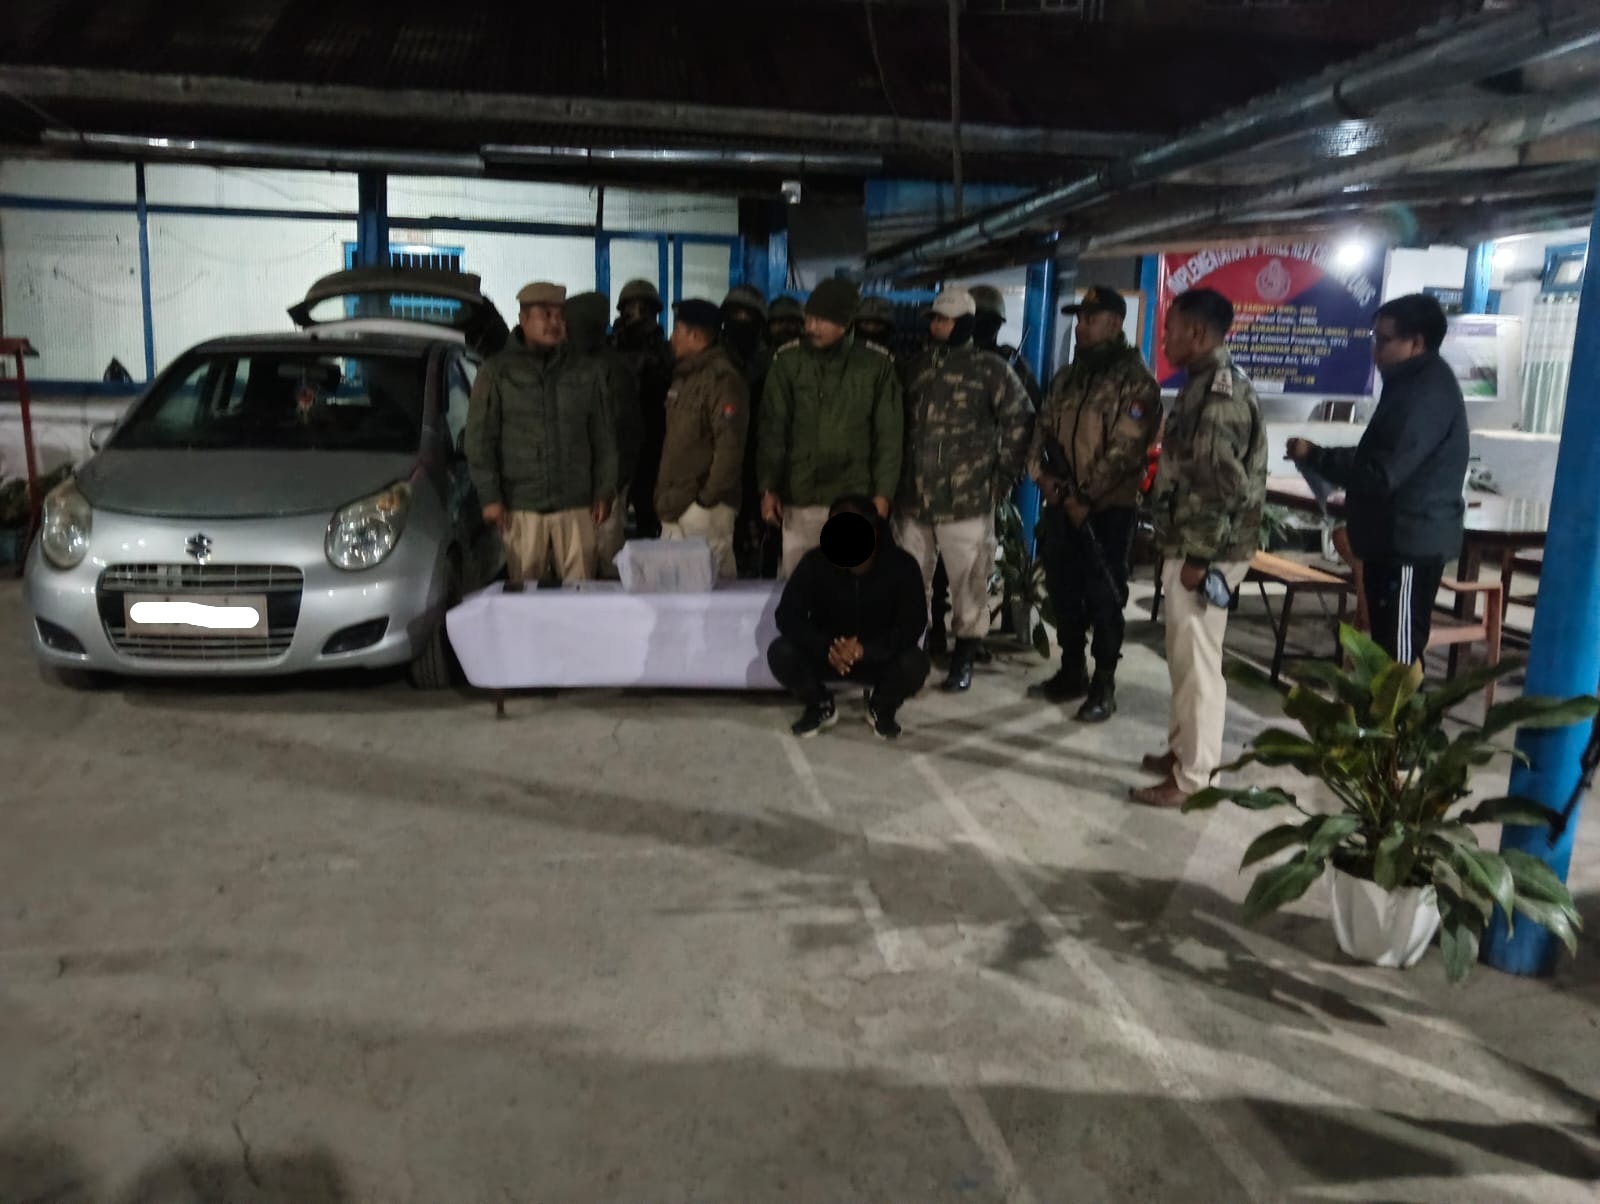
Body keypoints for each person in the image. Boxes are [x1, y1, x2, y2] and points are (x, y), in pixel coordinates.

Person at [1132, 287, 1267, 809]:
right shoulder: (1201, 384)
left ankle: (1194, 778)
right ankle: (1181, 750)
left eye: (1169, 329)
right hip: (1192, 543)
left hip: (1206, 550)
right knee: (1183, 658)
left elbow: (1220, 487)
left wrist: (1198, 558)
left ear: (1197, 332)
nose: (1164, 339)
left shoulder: (1218, 396)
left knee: (1199, 666)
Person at [1287, 293, 1468, 664]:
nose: (1375, 351)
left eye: (1384, 340)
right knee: (1385, 649)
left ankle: (1400, 708)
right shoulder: (1408, 385)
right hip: (1390, 540)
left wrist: (1320, 459)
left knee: (1398, 662)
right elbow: (1379, 453)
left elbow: (1383, 471)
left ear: (1416, 343)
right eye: (1375, 339)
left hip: (1408, 545)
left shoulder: (1426, 393)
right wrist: (1321, 455)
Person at [1027, 284, 1161, 722]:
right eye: (1079, 319)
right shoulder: (1068, 377)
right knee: (1063, 589)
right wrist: (1042, 477)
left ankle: (1104, 682)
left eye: (1090, 319)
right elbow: (1040, 429)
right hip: (1062, 503)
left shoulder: (1135, 382)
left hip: (1107, 511)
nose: (1081, 327)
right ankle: (1072, 670)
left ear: (1115, 323)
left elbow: (1126, 449)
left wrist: (1085, 497)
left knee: (1104, 595)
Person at [897, 286, 1033, 692]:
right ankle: (913, 654)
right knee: (910, 582)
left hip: (967, 500)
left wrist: (1003, 477)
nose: (936, 326)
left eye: (944, 320)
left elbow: (1021, 419)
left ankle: (964, 658)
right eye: (934, 319)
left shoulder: (991, 370)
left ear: (965, 324)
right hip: (915, 498)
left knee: (970, 583)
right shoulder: (915, 368)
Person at [466, 282, 618, 587]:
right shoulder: (496, 373)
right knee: (527, 595)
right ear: (523, 319)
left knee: (581, 594)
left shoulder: (586, 371)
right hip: (522, 507)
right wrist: (491, 498)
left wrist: (604, 489)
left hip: (576, 505)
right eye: (545, 315)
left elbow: (603, 435)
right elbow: (480, 441)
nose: (555, 323)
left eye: (560, 315)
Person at [757, 278, 904, 578]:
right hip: (800, 496)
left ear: (846, 322)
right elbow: (773, 429)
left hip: (854, 498)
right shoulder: (787, 362)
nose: (812, 327)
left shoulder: (876, 365)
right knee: (799, 581)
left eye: (822, 320)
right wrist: (768, 487)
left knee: (850, 584)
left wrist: (883, 494)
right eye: (809, 318)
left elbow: (889, 436)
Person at [768, 495, 931, 740]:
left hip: (878, 657)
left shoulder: (902, 565)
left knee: (915, 663)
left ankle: (881, 706)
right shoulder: (814, 562)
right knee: (781, 652)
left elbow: (912, 624)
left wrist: (865, 650)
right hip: (828, 656)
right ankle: (820, 704)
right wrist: (827, 648)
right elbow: (787, 615)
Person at [656, 299, 749, 580]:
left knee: (711, 592)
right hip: (677, 505)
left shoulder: (722, 379)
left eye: (678, 331)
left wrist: (705, 499)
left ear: (695, 336)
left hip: (705, 509)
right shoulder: (685, 376)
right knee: (676, 591)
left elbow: (730, 447)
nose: (672, 338)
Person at [566, 290, 639, 579]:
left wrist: (611, 485)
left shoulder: (610, 370)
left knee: (606, 557)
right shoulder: (574, 364)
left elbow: (623, 433)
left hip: (603, 486)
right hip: (582, 483)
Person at [722, 285, 777, 578]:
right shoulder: (715, 358)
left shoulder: (772, 362)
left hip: (759, 454)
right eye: (735, 315)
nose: (741, 322)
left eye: (748, 317)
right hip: (724, 456)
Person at [614, 278, 674, 539]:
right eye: (632, 308)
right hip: (618, 442)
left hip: (653, 440)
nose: (638, 315)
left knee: (649, 517)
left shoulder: (664, 351)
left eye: (644, 309)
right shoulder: (611, 347)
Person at [970, 284, 1042, 405]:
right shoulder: (948, 355)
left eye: (987, 321)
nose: (981, 327)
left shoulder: (1011, 361)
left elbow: (1033, 403)